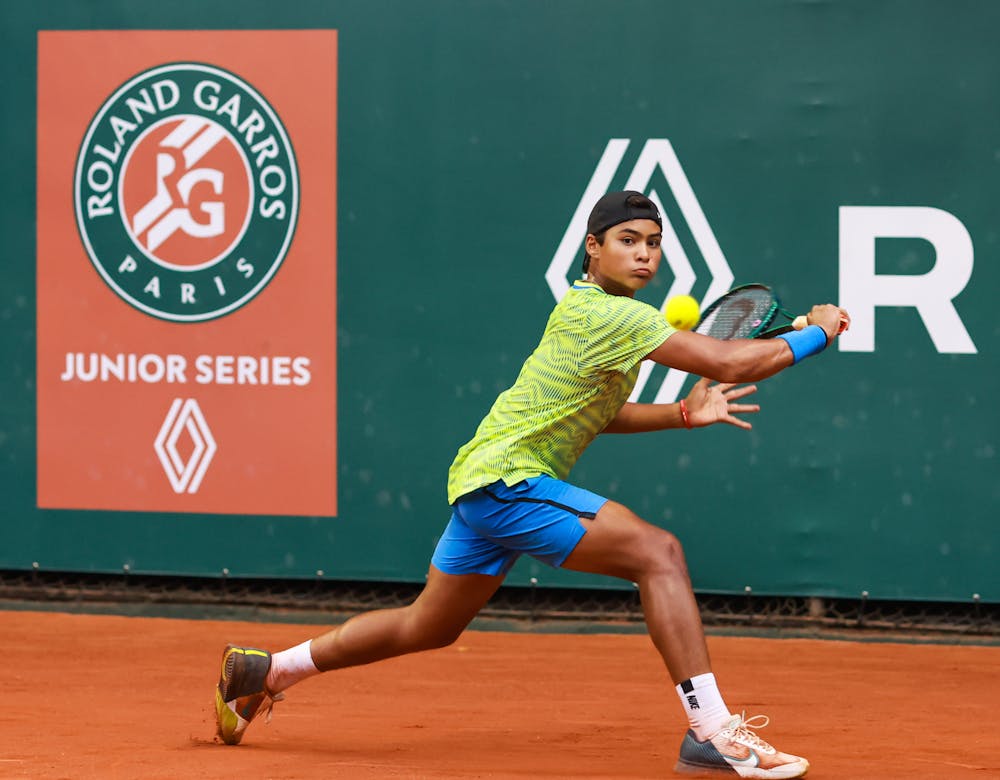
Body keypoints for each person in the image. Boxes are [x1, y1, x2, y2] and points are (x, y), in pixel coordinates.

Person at [215, 190, 848, 778]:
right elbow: (732, 360)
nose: (644, 253)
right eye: (628, 239)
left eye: (653, 242)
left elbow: (602, 415)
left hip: (485, 480)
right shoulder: (611, 317)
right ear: (593, 247)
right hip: (508, 480)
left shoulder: (604, 314)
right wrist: (819, 330)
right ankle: (711, 732)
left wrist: (684, 413)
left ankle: (267, 672)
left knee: (428, 627)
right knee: (660, 554)